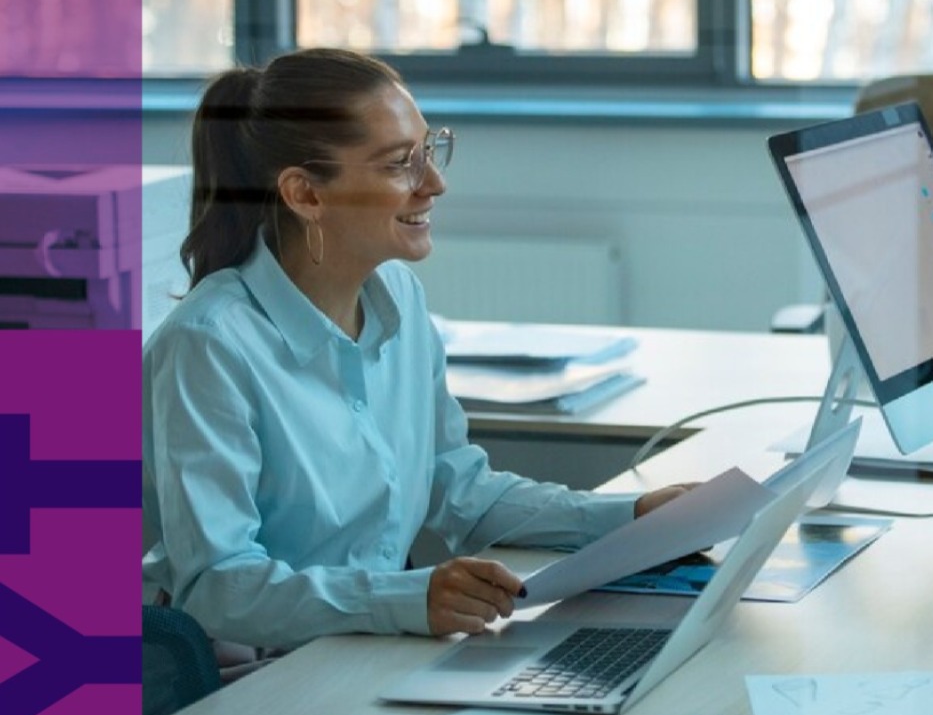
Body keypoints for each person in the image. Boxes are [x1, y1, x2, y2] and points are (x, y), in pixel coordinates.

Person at [143, 49, 691, 653]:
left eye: (430, 151)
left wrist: (633, 517)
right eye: (400, 163)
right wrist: (406, 599)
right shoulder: (208, 345)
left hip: (365, 647)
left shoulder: (398, 297)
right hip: (252, 676)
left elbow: (460, 493)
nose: (434, 183)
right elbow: (219, 587)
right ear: (305, 194)